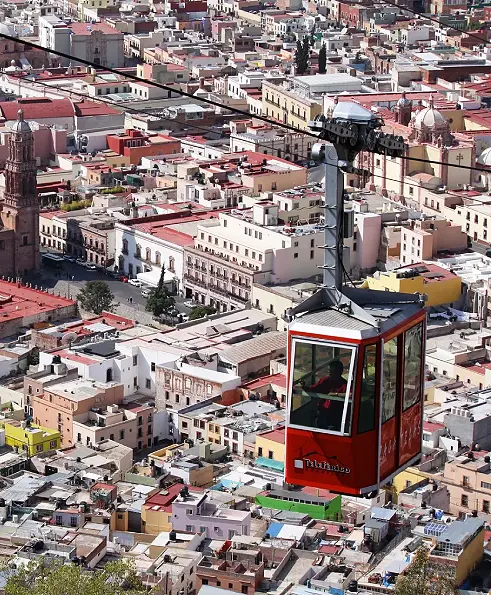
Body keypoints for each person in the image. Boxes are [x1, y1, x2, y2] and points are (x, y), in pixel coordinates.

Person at [303, 360, 348, 430]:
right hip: (322, 412)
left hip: (336, 414)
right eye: (330, 370)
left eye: (333, 371)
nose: (330, 373)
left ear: (340, 372)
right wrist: (303, 387)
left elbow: (351, 394)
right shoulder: (325, 381)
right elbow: (313, 389)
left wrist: (335, 394)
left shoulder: (344, 384)